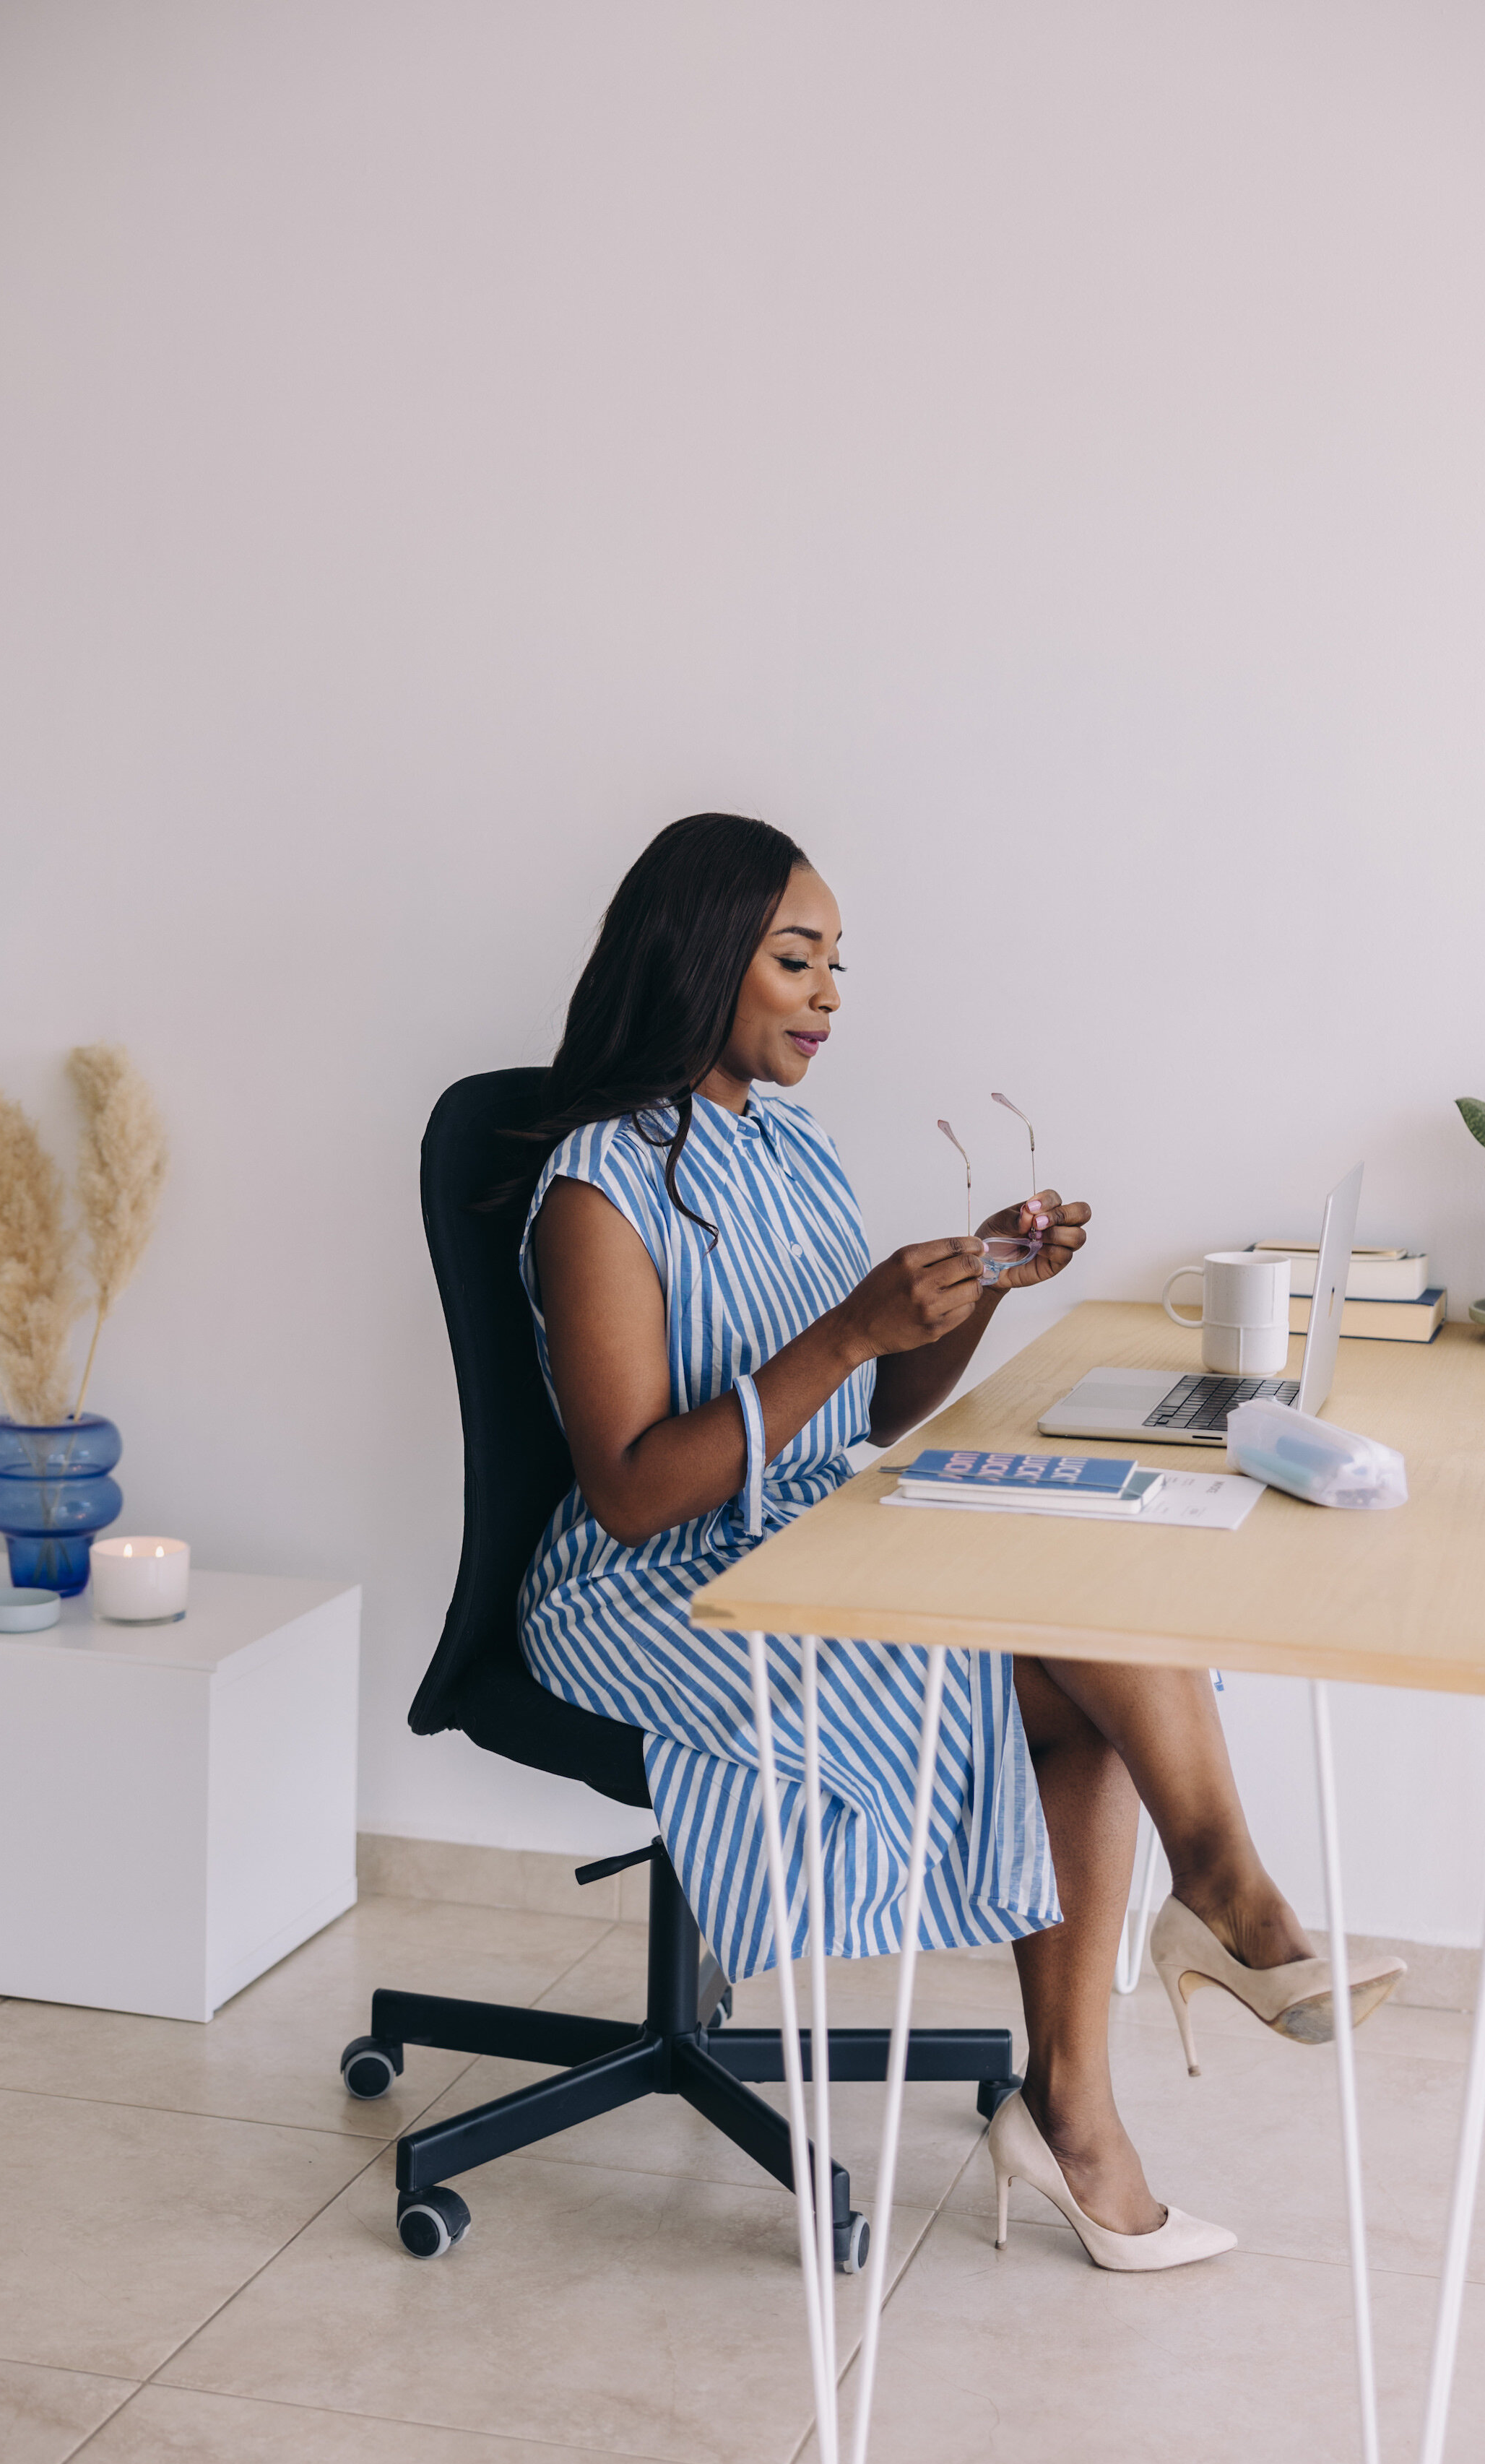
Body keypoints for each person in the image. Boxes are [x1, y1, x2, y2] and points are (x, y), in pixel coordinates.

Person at [519, 812, 1403, 2272]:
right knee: (1072, 1679)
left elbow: (867, 1398)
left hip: (810, 1527)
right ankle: (1183, 1974)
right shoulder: (597, 1187)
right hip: (655, 1585)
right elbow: (630, 1490)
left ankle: (1157, 1994)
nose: (829, 995)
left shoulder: (788, 1147)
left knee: (1082, 1599)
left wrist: (973, 1290)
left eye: (838, 965)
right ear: (699, 960)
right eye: (797, 959)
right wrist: (854, 1321)